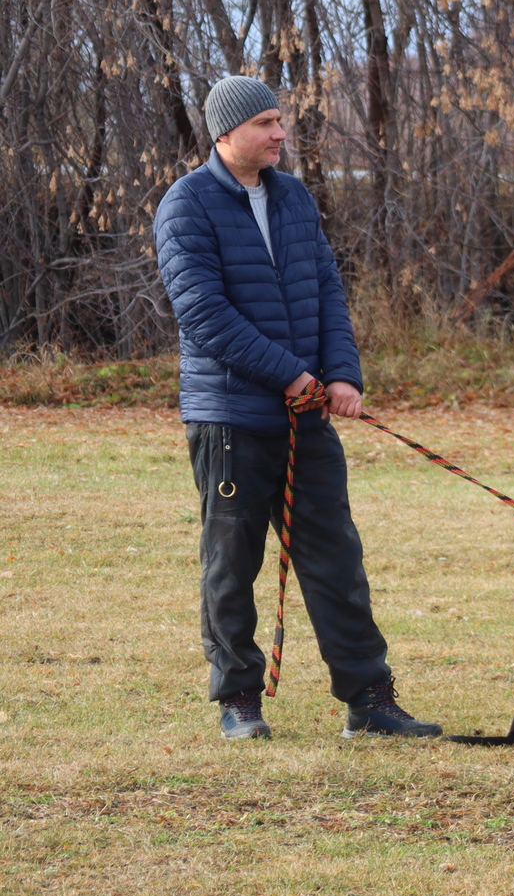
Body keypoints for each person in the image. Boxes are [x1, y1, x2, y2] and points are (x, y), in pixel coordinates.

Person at [154, 76, 440, 741]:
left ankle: (369, 700)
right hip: (230, 418)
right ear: (225, 133)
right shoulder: (187, 204)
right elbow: (203, 315)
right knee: (231, 565)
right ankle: (239, 701)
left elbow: (326, 289)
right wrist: (288, 374)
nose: (279, 133)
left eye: (280, 121)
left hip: (307, 416)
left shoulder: (293, 198)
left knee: (337, 560)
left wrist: (341, 374)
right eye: (264, 123)